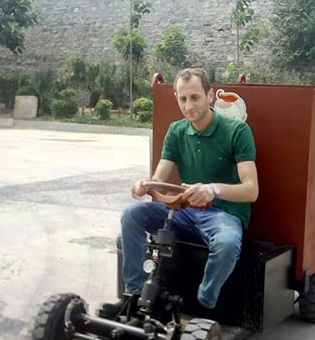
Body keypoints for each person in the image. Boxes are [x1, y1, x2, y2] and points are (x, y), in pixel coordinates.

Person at [101, 68, 258, 316]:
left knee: (227, 244)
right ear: (176, 97)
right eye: (182, 99)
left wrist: (213, 190)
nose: (188, 106)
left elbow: (251, 190)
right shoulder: (176, 131)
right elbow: (159, 180)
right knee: (132, 215)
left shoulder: (237, 131)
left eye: (195, 97)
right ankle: (135, 295)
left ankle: (203, 305)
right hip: (184, 211)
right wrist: (145, 185)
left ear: (210, 96)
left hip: (223, 214)